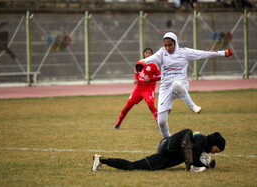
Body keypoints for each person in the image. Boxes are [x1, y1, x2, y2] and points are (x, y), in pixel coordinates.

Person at [137, 32, 232, 138]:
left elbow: (203, 53)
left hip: (181, 85)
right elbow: (151, 58)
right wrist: (142, 62)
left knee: (176, 84)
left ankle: (192, 105)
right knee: (161, 122)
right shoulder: (162, 53)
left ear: (175, 43)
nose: (167, 48)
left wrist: (223, 53)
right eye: (165, 45)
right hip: (165, 89)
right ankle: (168, 141)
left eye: (170, 45)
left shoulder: (184, 52)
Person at [92, 129, 225, 172]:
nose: (214, 152)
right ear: (215, 143)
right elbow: (195, 157)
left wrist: (208, 164)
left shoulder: (203, 146)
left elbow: (198, 158)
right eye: (217, 150)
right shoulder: (202, 139)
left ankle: (101, 159)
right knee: (188, 133)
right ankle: (101, 159)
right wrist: (198, 165)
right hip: (167, 148)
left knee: (133, 166)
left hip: (165, 159)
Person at [113, 48, 161, 129]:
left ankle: (160, 125)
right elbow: (136, 73)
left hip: (148, 89)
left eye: (150, 53)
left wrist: (150, 79)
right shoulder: (140, 63)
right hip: (138, 89)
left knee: (151, 105)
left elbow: (159, 77)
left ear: (152, 55)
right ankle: (117, 124)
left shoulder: (154, 65)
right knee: (127, 106)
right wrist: (135, 79)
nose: (148, 54)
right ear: (144, 54)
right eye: (146, 53)